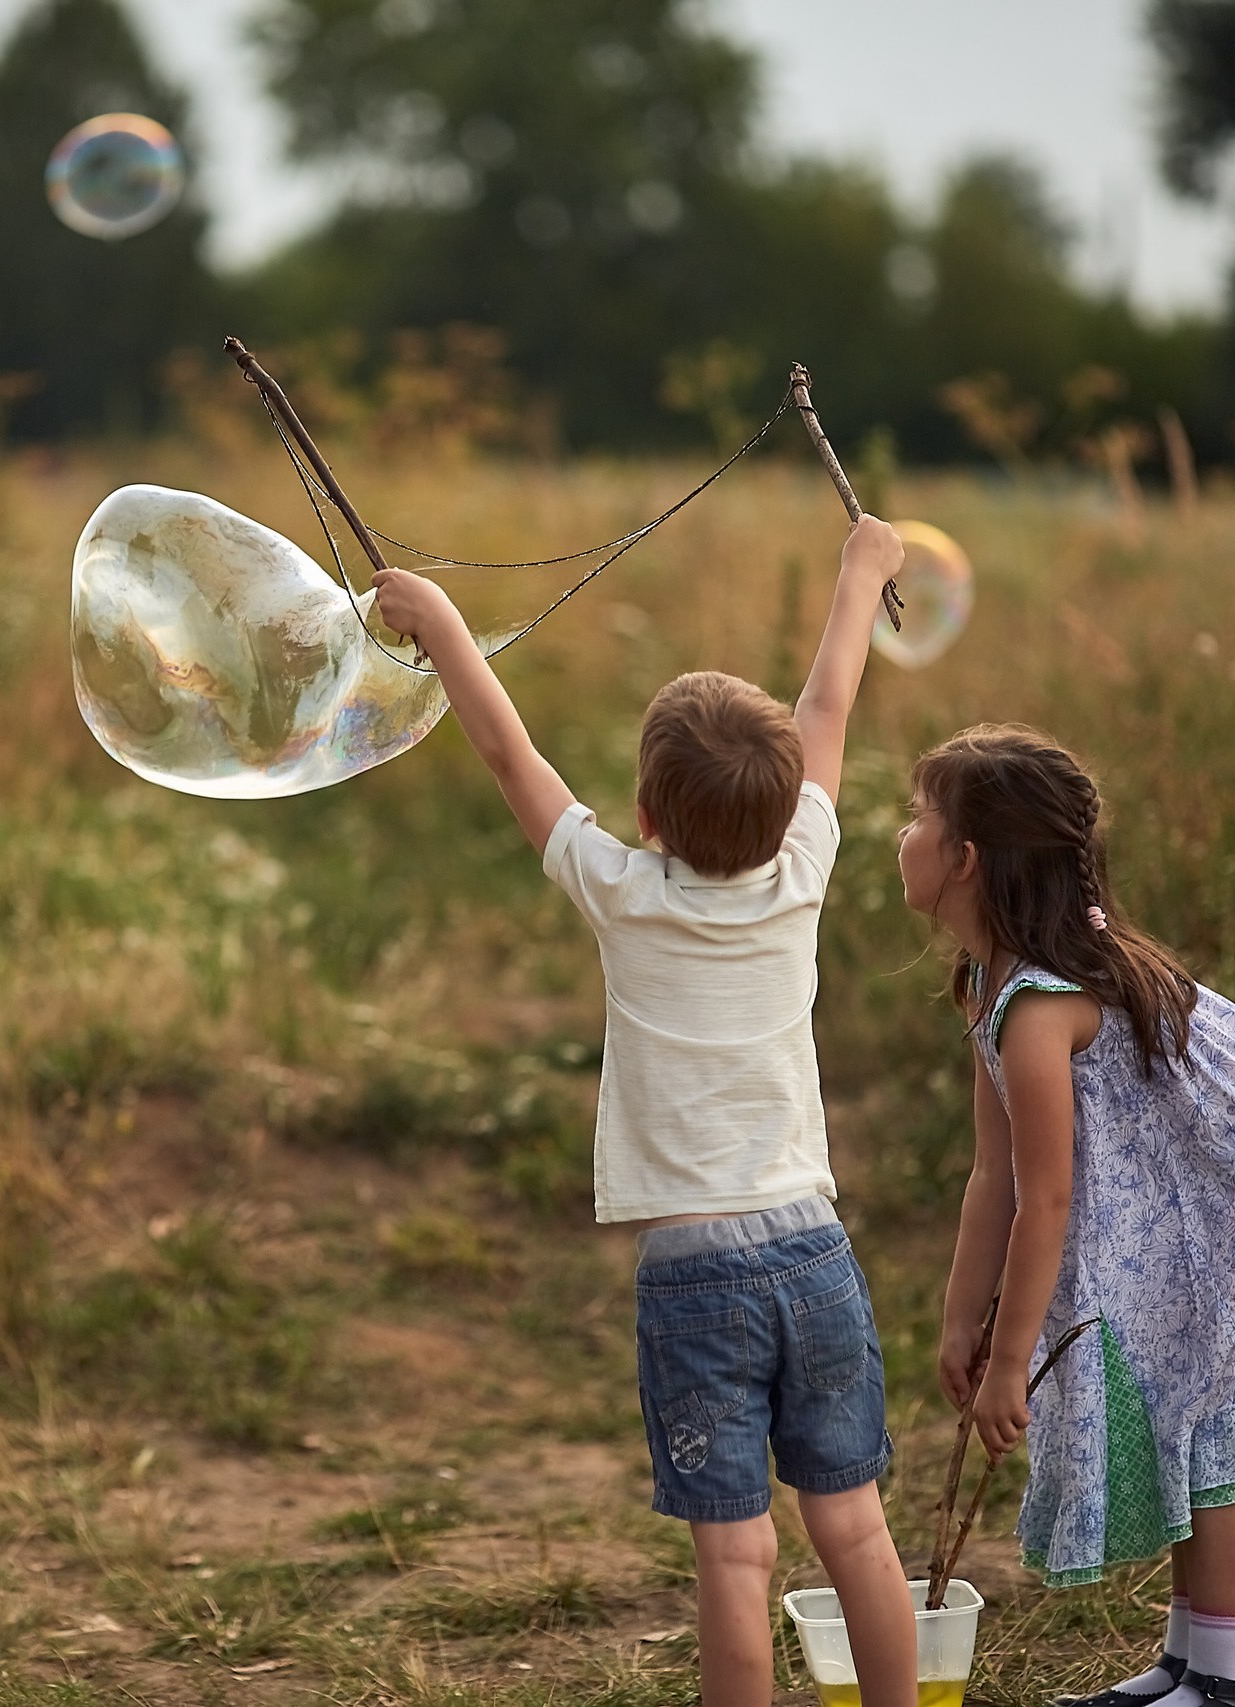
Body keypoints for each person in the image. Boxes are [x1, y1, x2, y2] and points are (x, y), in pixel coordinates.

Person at [371, 515, 917, 1707]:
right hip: (815, 1256)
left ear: (648, 819)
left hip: (696, 1276)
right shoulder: (803, 871)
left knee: (736, 1552)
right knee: (857, 1533)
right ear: (783, 816)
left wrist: (445, 625)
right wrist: (858, 575)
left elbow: (515, 761)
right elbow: (823, 714)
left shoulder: (621, 891)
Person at [896, 724, 1235, 1707]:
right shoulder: (990, 989)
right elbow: (995, 1175)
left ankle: (1222, 1686)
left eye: (916, 818)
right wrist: (959, 1317)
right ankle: (1185, 1666)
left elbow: (1048, 1198)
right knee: (1184, 1422)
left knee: (1210, 1436)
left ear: (966, 859)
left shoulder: (1036, 1011)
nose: (904, 835)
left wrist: (1012, 1361)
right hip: (1179, 1207)